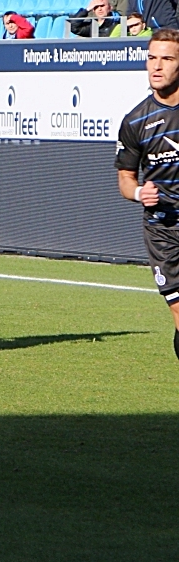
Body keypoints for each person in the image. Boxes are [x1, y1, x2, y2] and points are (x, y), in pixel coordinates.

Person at [115, 30, 179, 360]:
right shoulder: (136, 121)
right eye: (152, 57)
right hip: (164, 231)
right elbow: (125, 179)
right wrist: (141, 192)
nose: (157, 66)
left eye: (167, 59)